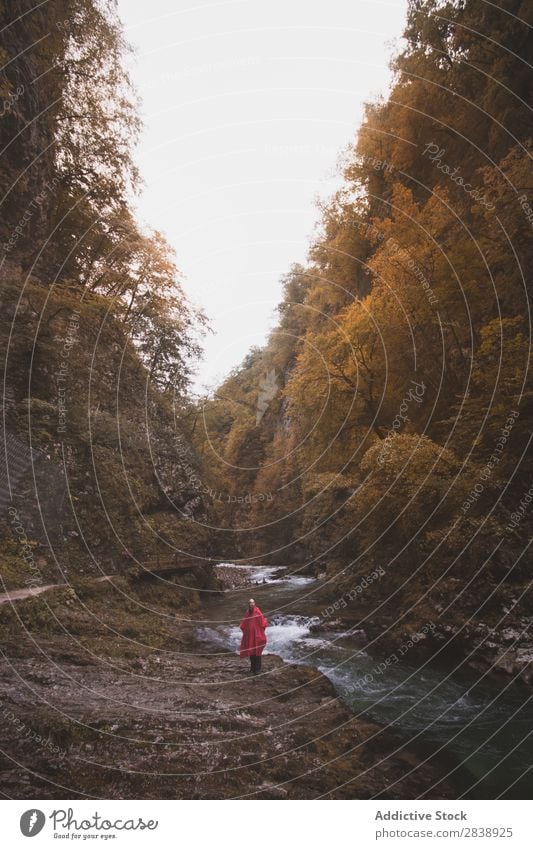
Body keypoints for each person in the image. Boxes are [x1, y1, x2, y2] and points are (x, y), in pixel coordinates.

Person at [239, 598, 268, 674]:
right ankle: (252, 668)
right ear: (248, 604)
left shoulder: (257, 611)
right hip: (249, 636)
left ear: (254, 603)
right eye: (250, 603)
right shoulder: (247, 612)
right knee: (251, 651)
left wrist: (261, 628)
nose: (251, 604)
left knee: (257, 652)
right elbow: (243, 624)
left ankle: (258, 669)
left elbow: (263, 623)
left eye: (252, 602)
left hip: (257, 635)